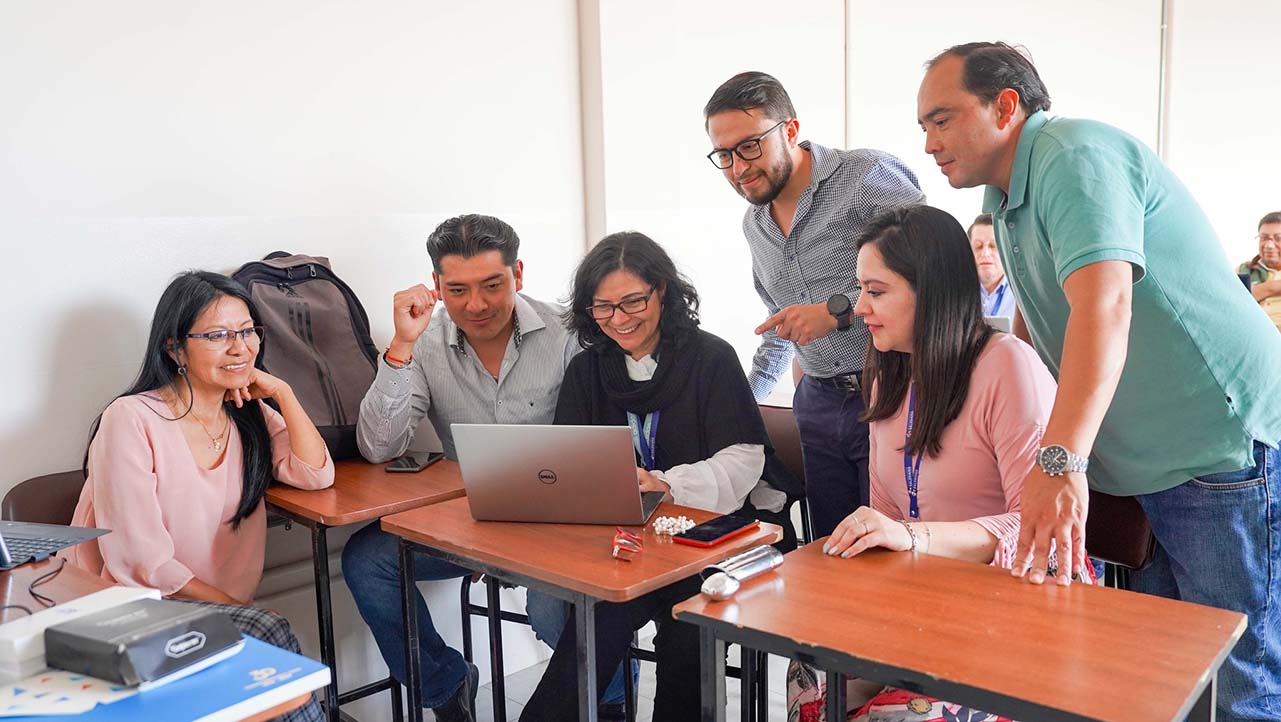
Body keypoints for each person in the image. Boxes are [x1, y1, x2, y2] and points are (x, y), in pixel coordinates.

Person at [917, 41, 1281, 721]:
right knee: (1152, 675)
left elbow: (1105, 304)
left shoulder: (1071, 154)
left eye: (941, 119)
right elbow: (1037, 313)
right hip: (1144, 462)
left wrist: (1058, 460)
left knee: (1235, 684)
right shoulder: (1004, 196)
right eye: (923, 128)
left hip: (1213, 446)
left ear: (1004, 106)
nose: (929, 142)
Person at [342, 214, 629, 722]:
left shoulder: (568, 333)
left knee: (551, 606)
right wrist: (401, 346)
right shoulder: (424, 346)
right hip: (477, 519)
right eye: (456, 290)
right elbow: (379, 448)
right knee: (368, 560)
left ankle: (608, 703)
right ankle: (446, 687)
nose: (475, 305)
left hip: (566, 523)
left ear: (518, 273)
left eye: (492, 286)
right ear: (435, 287)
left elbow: (610, 436)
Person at [783, 205, 1057, 720]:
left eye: (877, 291)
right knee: (809, 671)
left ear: (931, 291)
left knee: (895, 714)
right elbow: (885, 510)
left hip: (1011, 608)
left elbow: (1039, 529)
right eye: (861, 289)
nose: (859, 308)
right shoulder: (889, 374)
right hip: (920, 603)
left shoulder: (1007, 366)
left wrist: (915, 538)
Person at [519, 231, 791, 722]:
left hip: (708, 539)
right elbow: (567, 461)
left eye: (632, 302)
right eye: (603, 308)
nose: (619, 321)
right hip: (626, 544)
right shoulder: (588, 369)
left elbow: (744, 458)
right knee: (593, 622)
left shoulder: (710, 358)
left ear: (662, 292)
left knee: (687, 627)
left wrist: (668, 484)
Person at [67, 271, 333, 722]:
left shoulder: (248, 417)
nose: (240, 347)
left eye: (248, 331)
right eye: (217, 335)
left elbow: (315, 473)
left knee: (274, 656)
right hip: (128, 611)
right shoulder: (130, 419)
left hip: (210, 612)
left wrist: (283, 392)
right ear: (174, 349)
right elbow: (142, 563)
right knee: (271, 635)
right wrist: (234, 610)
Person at [703, 71, 926, 538]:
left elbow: (934, 267)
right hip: (819, 404)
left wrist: (836, 311)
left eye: (749, 146)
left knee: (892, 548)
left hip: (894, 388)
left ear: (789, 129)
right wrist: (742, 405)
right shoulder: (755, 226)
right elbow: (783, 331)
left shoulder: (864, 177)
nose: (738, 167)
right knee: (832, 547)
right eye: (723, 155)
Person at [1237, 211, 1281, 327]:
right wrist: (1272, 287)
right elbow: (1231, 301)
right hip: (1250, 337)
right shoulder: (1243, 270)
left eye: (1278, 238)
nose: (1269, 245)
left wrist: (1255, 291)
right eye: (1264, 238)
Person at [968, 213, 1014, 321]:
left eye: (993, 246)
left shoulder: (1020, 293)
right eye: (978, 246)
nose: (985, 253)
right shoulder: (955, 292)